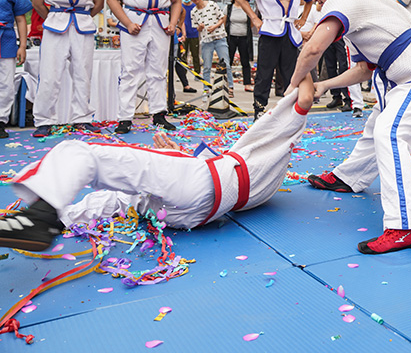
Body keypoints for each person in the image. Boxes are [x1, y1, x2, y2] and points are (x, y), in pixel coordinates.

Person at [0, 79, 314, 252]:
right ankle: (53, 219)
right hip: (196, 214)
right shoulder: (265, 176)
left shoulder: (267, 141)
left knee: (81, 153)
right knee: (121, 197)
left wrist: (307, 41)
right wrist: (181, 154)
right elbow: (215, 180)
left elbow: (305, 95)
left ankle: (41, 218)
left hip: (195, 186)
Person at [298, 0, 411, 255]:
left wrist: (294, 86)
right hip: (398, 78)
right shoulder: (360, 6)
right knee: (375, 128)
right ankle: (349, 177)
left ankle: (404, 227)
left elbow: (314, 48)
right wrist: (324, 85)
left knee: (389, 134)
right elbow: (363, 70)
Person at [27, 0, 107, 137]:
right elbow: (37, 2)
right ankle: (44, 120)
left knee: (83, 73)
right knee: (50, 75)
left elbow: (99, 3)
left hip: (82, 24)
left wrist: (83, 17)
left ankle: (82, 118)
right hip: (56, 24)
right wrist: (54, 18)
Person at [106, 0, 184, 134]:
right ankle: (125, 118)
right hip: (135, 22)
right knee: (130, 70)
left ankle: (158, 114)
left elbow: (177, 2)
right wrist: (127, 22)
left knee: (158, 70)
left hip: (160, 23)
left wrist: (173, 23)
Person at [236, 0, 312, 119]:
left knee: (291, 73)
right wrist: (255, 18)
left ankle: (291, 110)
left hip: (290, 32)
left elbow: (309, 0)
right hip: (269, 30)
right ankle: (259, 110)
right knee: (264, 73)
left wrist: (304, 19)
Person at [0, 0, 31, 138]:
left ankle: (0, 119)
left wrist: (22, 45)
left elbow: (21, 20)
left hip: (8, 40)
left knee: (6, 83)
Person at [188, 0, 233, 97]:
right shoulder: (193, 12)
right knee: (207, 66)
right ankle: (206, 88)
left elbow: (222, 18)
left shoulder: (212, 5)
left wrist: (215, 27)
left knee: (226, 64)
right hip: (206, 40)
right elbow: (196, 28)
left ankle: (230, 87)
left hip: (219, 37)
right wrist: (200, 27)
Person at [226, 0, 254, 92]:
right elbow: (225, 23)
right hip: (231, 38)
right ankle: (228, 84)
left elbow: (251, 24)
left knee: (245, 62)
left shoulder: (247, 7)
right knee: (228, 61)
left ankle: (247, 84)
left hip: (244, 38)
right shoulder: (228, 8)